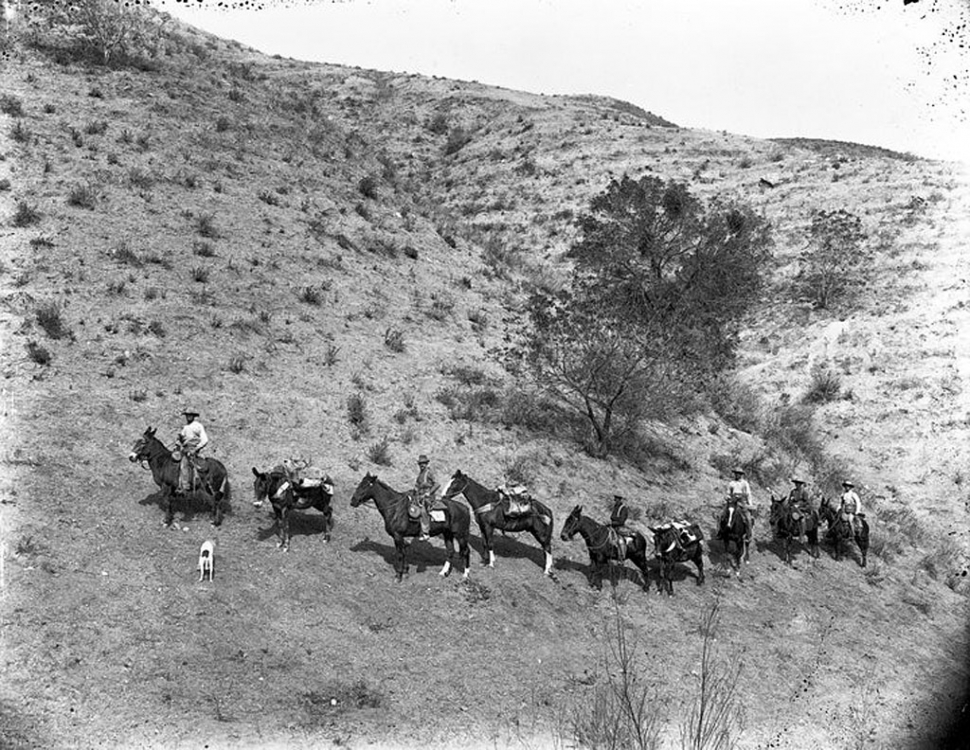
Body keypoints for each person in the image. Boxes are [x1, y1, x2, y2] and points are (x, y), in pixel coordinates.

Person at [176, 409, 209, 495]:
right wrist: (179, 441)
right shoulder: (185, 427)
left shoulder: (198, 426)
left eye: (190, 415)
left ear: (193, 416)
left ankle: (185, 486)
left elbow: (204, 440)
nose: (188, 417)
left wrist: (196, 449)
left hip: (194, 450)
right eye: (187, 415)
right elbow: (182, 439)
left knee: (184, 464)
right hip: (185, 449)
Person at [722, 468, 753, 542]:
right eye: (736, 473)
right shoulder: (731, 483)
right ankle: (721, 532)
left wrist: (750, 504)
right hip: (732, 502)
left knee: (748, 519)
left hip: (742, 503)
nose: (737, 475)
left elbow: (748, 494)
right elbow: (728, 493)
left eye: (738, 473)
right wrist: (728, 497)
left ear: (741, 475)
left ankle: (749, 536)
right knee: (722, 515)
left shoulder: (744, 483)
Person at [414, 454, 439, 540]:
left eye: (423, 463)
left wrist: (429, 492)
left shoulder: (429, 473)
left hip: (428, 497)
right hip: (419, 496)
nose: (422, 465)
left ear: (427, 463)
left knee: (423, 511)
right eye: (420, 463)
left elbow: (437, 484)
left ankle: (425, 532)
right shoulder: (420, 475)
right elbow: (417, 486)